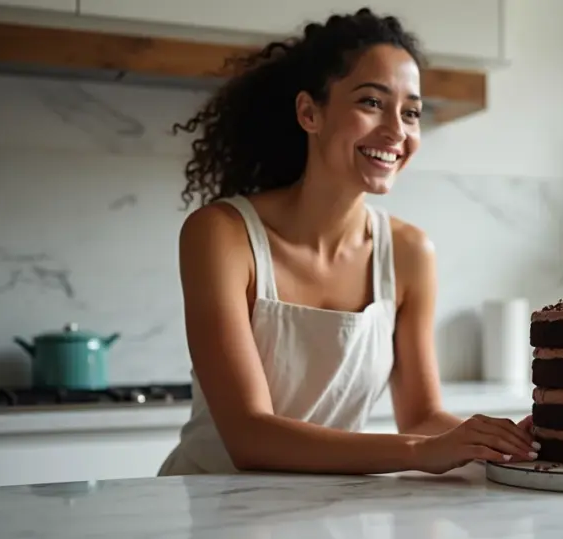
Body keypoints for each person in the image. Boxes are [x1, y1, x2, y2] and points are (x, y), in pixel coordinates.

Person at [157, 8, 538, 477]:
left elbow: (421, 417)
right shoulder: (222, 234)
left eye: (412, 112)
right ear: (309, 112)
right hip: (210, 508)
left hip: (328, 511)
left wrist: (495, 443)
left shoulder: (409, 252)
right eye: (372, 103)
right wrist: (420, 452)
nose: (397, 131)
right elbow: (248, 435)